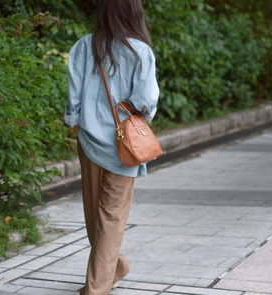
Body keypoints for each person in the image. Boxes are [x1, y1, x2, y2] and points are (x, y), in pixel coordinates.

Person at [64, 0, 159, 294]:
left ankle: (96, 286)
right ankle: (113, 268)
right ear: (134, 13)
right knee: (109, 218)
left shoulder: (83, 46)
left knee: (96, 217)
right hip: (125, 148)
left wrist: (75, 122)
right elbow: (146, 102)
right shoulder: (140, 52)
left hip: (89, 142)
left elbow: (73, 99)